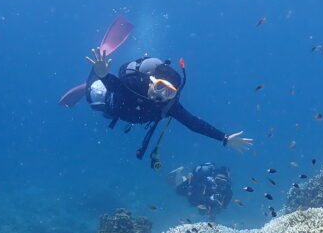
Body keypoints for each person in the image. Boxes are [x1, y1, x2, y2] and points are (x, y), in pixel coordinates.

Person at [84, 49, 252, 163]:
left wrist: (224, 138)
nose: (162, 95)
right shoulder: (134, 85)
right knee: (90, 97)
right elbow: (115, 86)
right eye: (160, 87)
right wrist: (103, 75)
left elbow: (193, 123)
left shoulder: (169, 105)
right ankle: (90, 82)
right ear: (151, 81)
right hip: (110, 103)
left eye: (169, 92)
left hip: (128, 116)